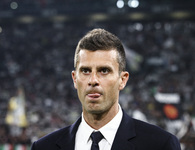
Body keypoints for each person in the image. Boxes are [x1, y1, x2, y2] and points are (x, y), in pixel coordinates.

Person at [31, 28, 181, 150]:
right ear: (74, 79)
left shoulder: (160, 145)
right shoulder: (44, 147)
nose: (93, 80)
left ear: (122, 80)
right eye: (85, 71)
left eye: (104, 71)